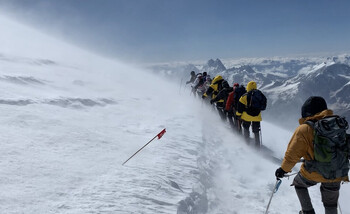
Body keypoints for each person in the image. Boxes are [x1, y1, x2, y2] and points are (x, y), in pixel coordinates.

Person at [275, 96, 349, 214]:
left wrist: (283, 170)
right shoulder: (337, 125)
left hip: (313, 172)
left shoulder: (305, 128)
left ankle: (307, 211)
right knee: (331, 204)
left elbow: (292, 154)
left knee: (299, 184)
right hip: (337, 172)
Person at [236, 81, 263, 146]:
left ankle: (247, 144)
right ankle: (257, 146)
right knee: (256, 131)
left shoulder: (244, 96)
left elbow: (240, 108)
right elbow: (263, 106)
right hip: (257, 116)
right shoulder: (260, 95)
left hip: (246, 116)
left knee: (246, 128)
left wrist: (238, 115)